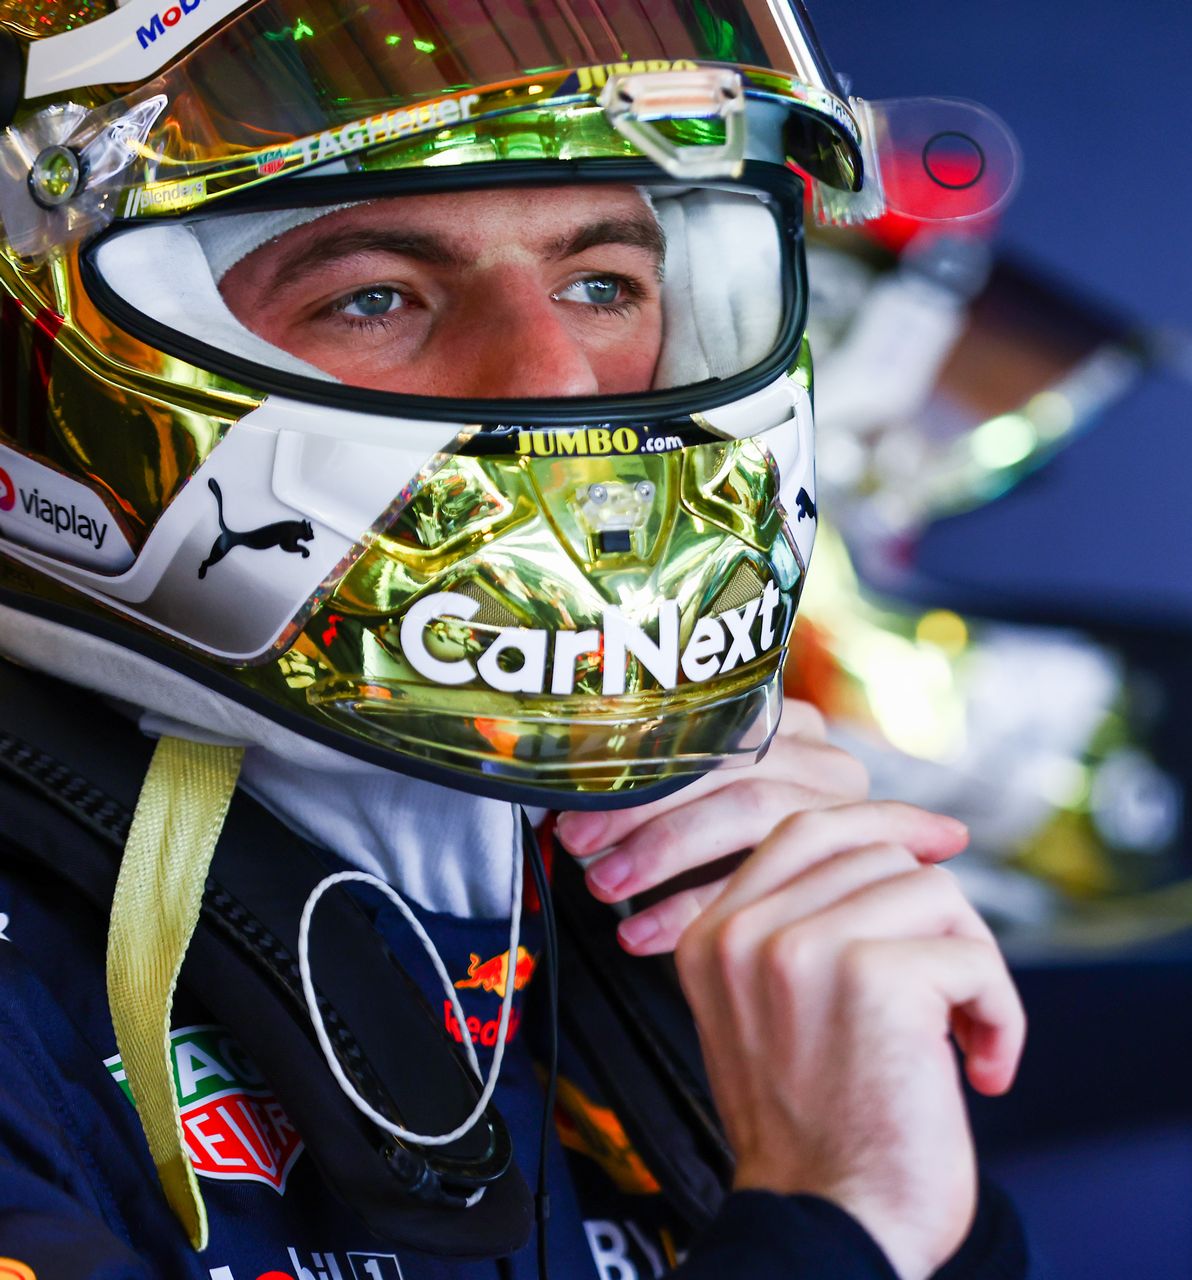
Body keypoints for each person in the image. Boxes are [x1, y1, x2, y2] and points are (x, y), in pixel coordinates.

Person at [0, 1, 1028, 1276]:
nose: (559, 377)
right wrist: (837, 1225)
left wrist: (917, 1211)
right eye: (373, 296)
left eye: (602, 286)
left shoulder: (689, 901)